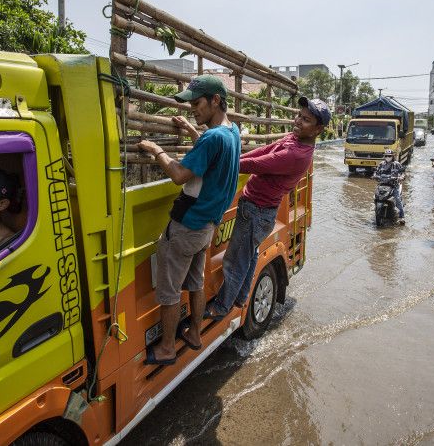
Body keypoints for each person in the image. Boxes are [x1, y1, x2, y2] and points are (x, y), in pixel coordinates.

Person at [137, 75, 240, 366]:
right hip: (207, 225)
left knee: (169, 290)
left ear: (215, 100)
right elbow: (210, 151)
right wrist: (191, 129)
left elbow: (180, 175)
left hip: (186, 225)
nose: (192, 109)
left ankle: (167, 348)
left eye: (197, 103)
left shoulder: (212, 137)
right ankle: (194, 333)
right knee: (195, 281)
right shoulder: (231, 132)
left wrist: (157, 150)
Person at [205, 97, 330, 320]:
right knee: (249, 255)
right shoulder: (295, 139)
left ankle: (221, 308)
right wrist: (234, 158)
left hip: (256, 211)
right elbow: (264, 151)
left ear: (318, 129)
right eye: (299, 115)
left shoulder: (296, 154)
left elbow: (259, 164)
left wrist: (225, 163)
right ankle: (242, 296)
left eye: (306, 120)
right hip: (259, 210)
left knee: (234, 261)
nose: (298, 121)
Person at [373, 149, 406, 223]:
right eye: (386, 156)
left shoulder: (396, 164)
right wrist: (374, 175)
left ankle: (402, 216)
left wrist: (401, 177)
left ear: (392, 156)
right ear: (384, 156)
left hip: (393, 185)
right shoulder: (381, 164)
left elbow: (403, 173)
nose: (388, 157)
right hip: (382, 185)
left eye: (389, 156)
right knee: (375, 196)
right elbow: (376, 172)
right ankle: (376, 210)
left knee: (397, 198)